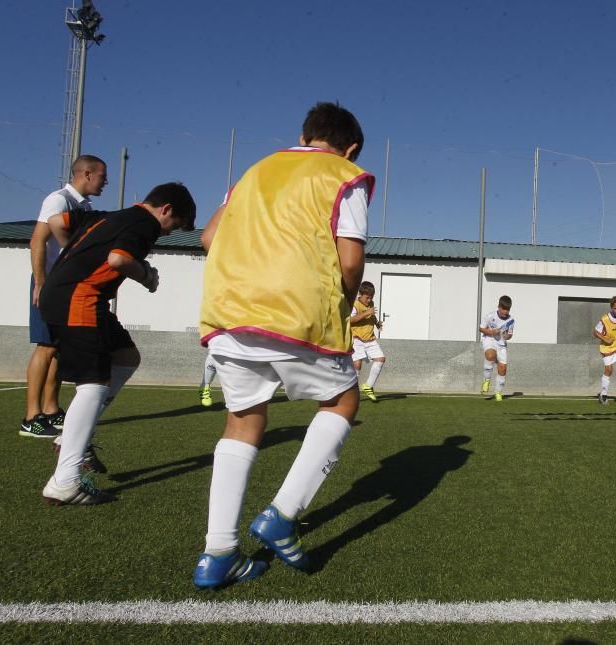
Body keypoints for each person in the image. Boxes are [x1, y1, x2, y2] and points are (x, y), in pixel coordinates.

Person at [193, 102, 373, 590]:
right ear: (350, 147)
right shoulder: (344, 174)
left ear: (303, 135)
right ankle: (281, 514)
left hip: (229, 310)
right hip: (295, 311)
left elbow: (210, 237)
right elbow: (350, 260)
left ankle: (218, 554)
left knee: (242, 421)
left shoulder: (256, 171)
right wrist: (342, 302)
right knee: (342, 399)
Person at [40, 182, 197, 505]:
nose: (167, 233)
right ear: (165, 209)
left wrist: (74, 258)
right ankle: (65, 481)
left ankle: (75, 436)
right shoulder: (145, 223)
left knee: (126, 357)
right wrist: (146, 276)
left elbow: (57, 222)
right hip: (79, 299)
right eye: (174, 225)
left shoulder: (107, 216)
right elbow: (117, 258)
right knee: (93, 385)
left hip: (67, 294)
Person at [21, 155, 108, 439]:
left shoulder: (83, 206)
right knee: (45, 346)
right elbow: (37, 240)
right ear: (86, 174)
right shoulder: (58, 200)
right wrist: (41, 283)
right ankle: (30, 417)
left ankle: (50, 409)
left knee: (57, 347)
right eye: (101, 176)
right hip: (49, 285)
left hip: (65, 287)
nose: (105, 181)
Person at [350, 281, 385, 402]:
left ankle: (368, 386)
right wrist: (366, 313)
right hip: (357, 339)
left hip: (370, 339)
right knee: (357, 364)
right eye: (367, 297)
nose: (369, 300)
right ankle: (351, 393)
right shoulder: (355, 305)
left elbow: (372, 316)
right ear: (360, 294)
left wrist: (377, 323)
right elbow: (350, 320)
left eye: (371, 298)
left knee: (381, 359)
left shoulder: (371, 304)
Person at [593, 295, 616, 404]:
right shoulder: (605, 319)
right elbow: (595, 332)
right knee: (609, 370)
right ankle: (603, 395)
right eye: (615, 308)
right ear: (611, 307)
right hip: (607, 347)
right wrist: (605, 339)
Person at [479, 295, 514, 402]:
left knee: (502, 369)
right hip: (489, 340)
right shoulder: (490, 316)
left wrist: (506, 336)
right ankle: (486, 380)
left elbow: (510, 335)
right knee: (490, 355)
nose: (505, 311)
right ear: (499, 307)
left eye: (507, 309)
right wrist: (491, 332)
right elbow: (481, 329)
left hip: (501, 344)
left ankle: (498, 392)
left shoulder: (511, 320)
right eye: (504, 308)